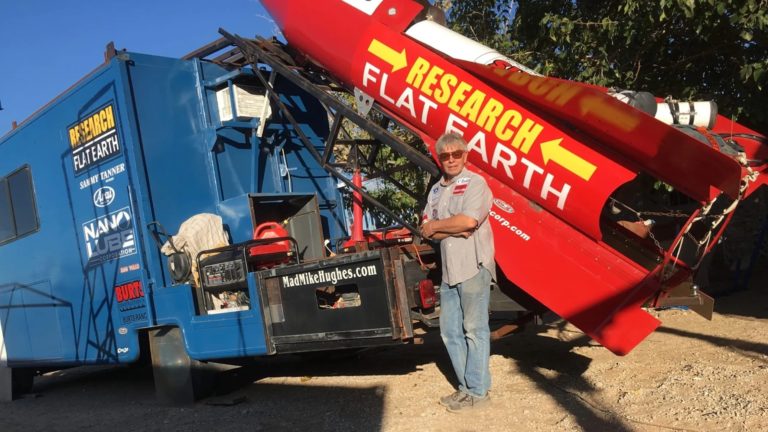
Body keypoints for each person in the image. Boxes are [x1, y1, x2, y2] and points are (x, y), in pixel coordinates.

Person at [420, 132, 495, 412]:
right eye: (445, 155)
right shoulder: (437, 190)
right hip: (449, 270)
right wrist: (448, 227)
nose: (451, 159)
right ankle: (466, 388)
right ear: (439, 159)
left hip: (473, 265)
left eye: (457, 154)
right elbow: (426, 226)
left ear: (466, 155)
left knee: (474, 330)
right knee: (450, 331)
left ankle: (478, 392)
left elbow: (469, 221)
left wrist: (444, 226)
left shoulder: (476, 183)